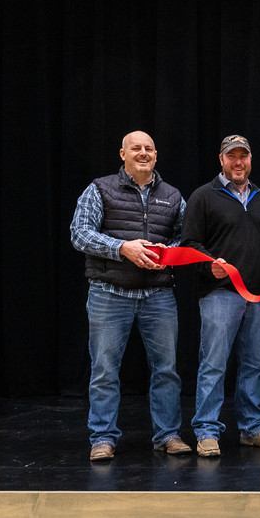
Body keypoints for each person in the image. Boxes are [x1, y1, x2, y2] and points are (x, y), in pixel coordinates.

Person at [70, 131, 189, 461]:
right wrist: (122, 248)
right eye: (135, 148)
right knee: (105, 370)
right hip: (109, 294)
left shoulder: (173, 196)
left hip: (159, 295)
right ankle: (103, 438)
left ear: (156, 155)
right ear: (122, 154)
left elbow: (188, 240)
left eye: (149, 148)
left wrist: (171, 252)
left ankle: (168, 435)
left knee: (167, 370)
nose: (143, 153)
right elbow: (79, 234)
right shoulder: (99, 189)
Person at [182, 135, 260, 457]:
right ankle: (207, 431)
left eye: (244, 156)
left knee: (254, 365)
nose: (238, 162)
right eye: (232, 156)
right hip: (219, 295)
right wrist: (209, 265)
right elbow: (189, 244)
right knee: (213, 364)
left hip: (258, 298)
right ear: (221, 159)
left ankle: (253, 428)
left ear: (250, 160)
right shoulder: (203, 197)